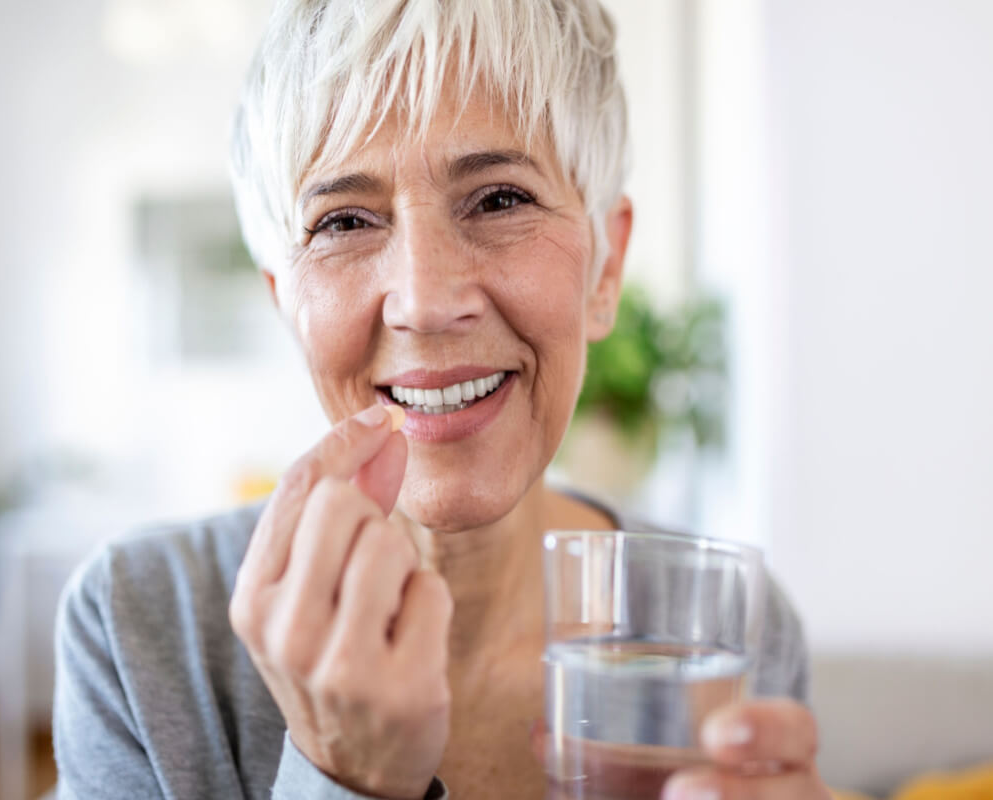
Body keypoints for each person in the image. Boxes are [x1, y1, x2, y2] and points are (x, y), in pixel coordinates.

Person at [53, 1, 832, 798]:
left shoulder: (730, 632)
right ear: (287, 303)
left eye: (500, 199)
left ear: (604, 270)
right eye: (344, 221)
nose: (424, 301)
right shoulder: (137, 628)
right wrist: (342, 778)